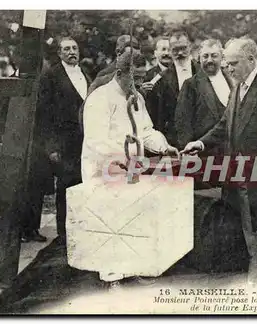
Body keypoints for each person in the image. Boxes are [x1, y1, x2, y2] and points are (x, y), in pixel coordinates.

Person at [181, 37, 257, 285]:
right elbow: (224, 125)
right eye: (227, 64)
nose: (228, 69)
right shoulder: (238, 86)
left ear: (252, 60)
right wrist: (201, 143)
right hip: (239, 181)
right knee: (251, 241)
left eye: (233, 63)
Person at [79, 50, 179, 289]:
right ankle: (112, 277)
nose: (139, 84)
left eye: (143, 78)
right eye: (135, 79)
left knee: (133, 218)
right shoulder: (99, 98)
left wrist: (164, 147)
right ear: (120, 73)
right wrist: (125, 157)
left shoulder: (137, 99)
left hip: (132, 171)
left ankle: (133, 268)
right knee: (110, 222)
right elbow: (96, 140)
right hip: (104, 170)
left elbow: (145, 131)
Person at [26, 36, 91, 243]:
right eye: (67, 49)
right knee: (66, 186)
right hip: (63, 142)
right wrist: (51, 146)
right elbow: (44, 114)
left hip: (84, 141)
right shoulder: (51, 76)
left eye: (74, 48)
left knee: (81, 184)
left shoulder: (85, 74)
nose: (72, 52)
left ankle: (80, 226)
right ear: (60, 54)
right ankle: (64, 233)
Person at [174, 39, 234, 152]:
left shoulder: (232, 81)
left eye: (214, 56)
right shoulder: (191, 85)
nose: (209, 60)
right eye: (205, 56)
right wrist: (188, 148)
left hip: (231, 151)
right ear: (199, 59)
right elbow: (183, 122)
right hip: (204, 152)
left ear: (222, 58)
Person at [146, 30, 201, 146]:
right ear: (170, 50)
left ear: (190, 47)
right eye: (175, 50)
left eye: (183, 48)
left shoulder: (203, 72)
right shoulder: (161, 79)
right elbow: (158, 116)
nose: (180, 53)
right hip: (174, 141)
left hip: (201, 138)